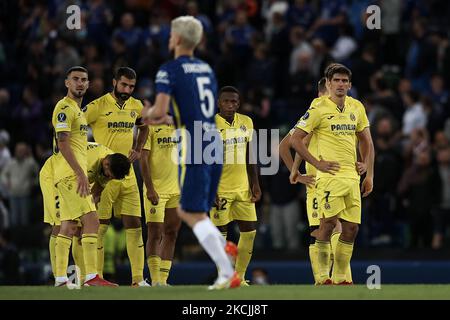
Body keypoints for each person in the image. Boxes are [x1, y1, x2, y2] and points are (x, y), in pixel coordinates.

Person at [145, 16, 240, 290]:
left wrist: (148, 113)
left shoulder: (169, 70)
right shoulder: (206, 69)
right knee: (199, 212)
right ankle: (225, 251)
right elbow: (196, 108)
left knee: (187, 210)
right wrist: (169, 119)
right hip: (212, 137)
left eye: (171, 34)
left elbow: (160, 111)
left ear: (176, 39)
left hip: (192, 140)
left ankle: (225, 267)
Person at [290, 63, 374, 285]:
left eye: (344, 81)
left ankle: (340, 277)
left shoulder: (357, 107)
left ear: (350, 85)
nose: (340, 84)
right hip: (328, 178)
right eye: (336, 80)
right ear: (328, 84)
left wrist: (368, 171)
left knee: (351, 228)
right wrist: (316, 163)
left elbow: (367, 141)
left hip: (352, 177)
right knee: (326, 225)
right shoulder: (317, 109)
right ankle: (322, 277)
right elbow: (294, 140)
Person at [84, 67, 149, 287]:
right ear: (114, 82)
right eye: (124, 85)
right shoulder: (97, 106)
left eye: (131, 86)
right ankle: (98, 277)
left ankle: (138, 280)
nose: (127, 90)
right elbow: (76, 126)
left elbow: (145, 127)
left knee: (135, 224)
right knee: (100, 225)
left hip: (128, 174)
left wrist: (138, 149)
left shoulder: (136, 106)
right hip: (106, 174)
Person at [51, 66, 116, 287]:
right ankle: (91, 277)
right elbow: (62, 143)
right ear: (67, 82)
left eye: (84, 80)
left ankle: (60, 279)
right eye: (76, 79)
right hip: (70, 174)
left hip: (68, 174)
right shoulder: (64, 108)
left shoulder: (78, 111)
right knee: (92, 220)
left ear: (88, 84)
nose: (80, 83)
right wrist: (80, 173)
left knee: (68, 226)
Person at [40, 142, 131, 283]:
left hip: (72, 181)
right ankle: (60, 277)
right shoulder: (89, 160)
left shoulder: (109, 161)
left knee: (81, 226)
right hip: (54, 177)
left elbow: (96, 191)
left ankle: (84, 278)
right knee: (60, 226)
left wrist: (88, 210)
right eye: (109, 175)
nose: (108, 177)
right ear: (106, 163)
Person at [210, 86, 261, 286]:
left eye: (234, 102)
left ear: (238, 103)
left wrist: (255, 183)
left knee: (249, 231)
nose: (230, 105)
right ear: (219, 103)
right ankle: (224, 275)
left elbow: (251, 155)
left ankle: (239, 276)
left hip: (243, 188)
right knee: (219, 234)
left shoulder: (246, 122)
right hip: (220, 188)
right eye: (226, 101)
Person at [140, 122, 181, 286]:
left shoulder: (182, 126)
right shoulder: (149, 126)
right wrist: (150, 188)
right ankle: (155, 279)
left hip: (177, 190)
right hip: (156, 190)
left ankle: (163, 281)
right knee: (155, 233)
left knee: (171, 232)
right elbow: (143, 158)